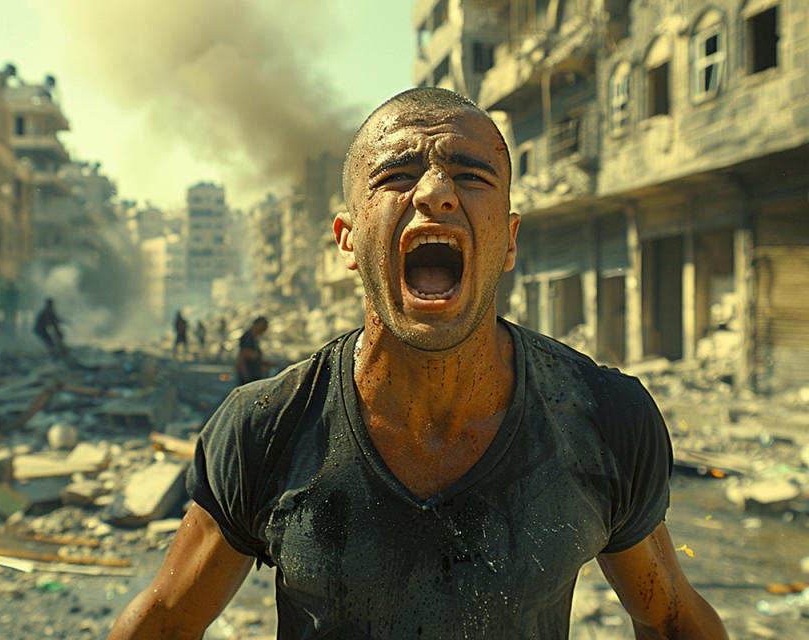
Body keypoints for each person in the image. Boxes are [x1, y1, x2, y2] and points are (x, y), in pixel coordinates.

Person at [108, 88, 726, 639]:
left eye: (471, 175)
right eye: (397, 175)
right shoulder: (266, 429)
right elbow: (164, 621)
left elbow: (670, 617)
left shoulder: (604, 420)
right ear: (348, 239)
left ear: (509, 240)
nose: (434, 192)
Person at [233, 316, 270, 386]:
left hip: (252, 376)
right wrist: (246, 377)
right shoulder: (248, 337)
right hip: (249, 377)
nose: (265, 329)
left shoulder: (253, 339)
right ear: (258, 325)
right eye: (264, 326)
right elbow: (244, 355)